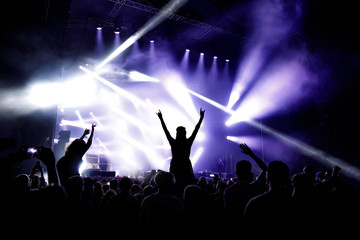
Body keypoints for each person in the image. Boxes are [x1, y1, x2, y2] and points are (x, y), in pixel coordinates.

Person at [156, 108, 205, 194]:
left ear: (177, 134)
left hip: (175, 165)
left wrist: (161, 118)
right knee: (188, 184)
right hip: (185, 165)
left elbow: (166, 131)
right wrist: (201, 118)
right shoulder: (187, 142)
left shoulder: (173, 142)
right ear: (184, 134)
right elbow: (196, 130)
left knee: (173, 184)